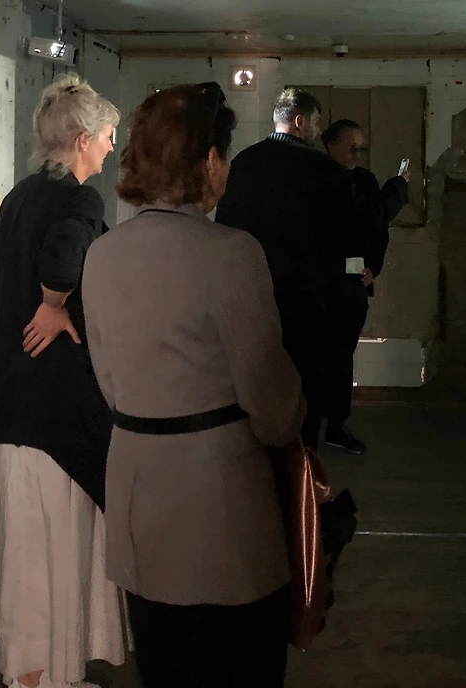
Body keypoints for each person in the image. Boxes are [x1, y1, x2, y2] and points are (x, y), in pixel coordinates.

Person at [82, 83, 306, 688]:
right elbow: (272, 404)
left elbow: (109, 383)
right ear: (208, 161)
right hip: (218, 503)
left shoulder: (102, 254)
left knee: (164, 664)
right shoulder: (231, 253)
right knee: (238, 666)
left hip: (136, 486)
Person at [0, 74, 128, 688]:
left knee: (24, 548)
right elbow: (62, 259)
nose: (111, 147)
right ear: (83, 140)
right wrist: (55, 304)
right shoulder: (80, 201)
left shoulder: (20, 196)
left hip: (8, 401)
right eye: (108, 136)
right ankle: (42, 679)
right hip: (53, 408)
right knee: (53, 545)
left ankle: (35, 675)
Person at [215, 88, 363, 450]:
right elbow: (346, 237)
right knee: (303, 387)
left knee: (255, 382)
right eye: (316, 122)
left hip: (251, 296)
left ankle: (255, 458)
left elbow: (225, 228)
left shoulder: (244, 163)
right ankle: (300, 462)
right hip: (308, 301)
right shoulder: (325, 171)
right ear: (300, 121)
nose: (318, 130)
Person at [321, 119, 411, 454]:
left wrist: (374, 266)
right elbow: (366, 217)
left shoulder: (363, 179)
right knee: (315, 353)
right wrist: (396, 190)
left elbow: (376, 229)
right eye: (350, 146)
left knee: (343, 355)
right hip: (318, 282)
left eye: (360, 147)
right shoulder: (316, 179)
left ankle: (335, 423)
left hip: (351, 282)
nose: (356, 153)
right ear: (330, 144)